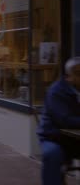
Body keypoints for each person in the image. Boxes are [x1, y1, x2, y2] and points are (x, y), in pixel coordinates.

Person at [37, 57, 80, 185]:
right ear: (68, 76)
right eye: (78, 74)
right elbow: (64, 120)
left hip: (76, 139)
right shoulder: (56, 92)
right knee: (52, 154)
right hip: (55, 137)